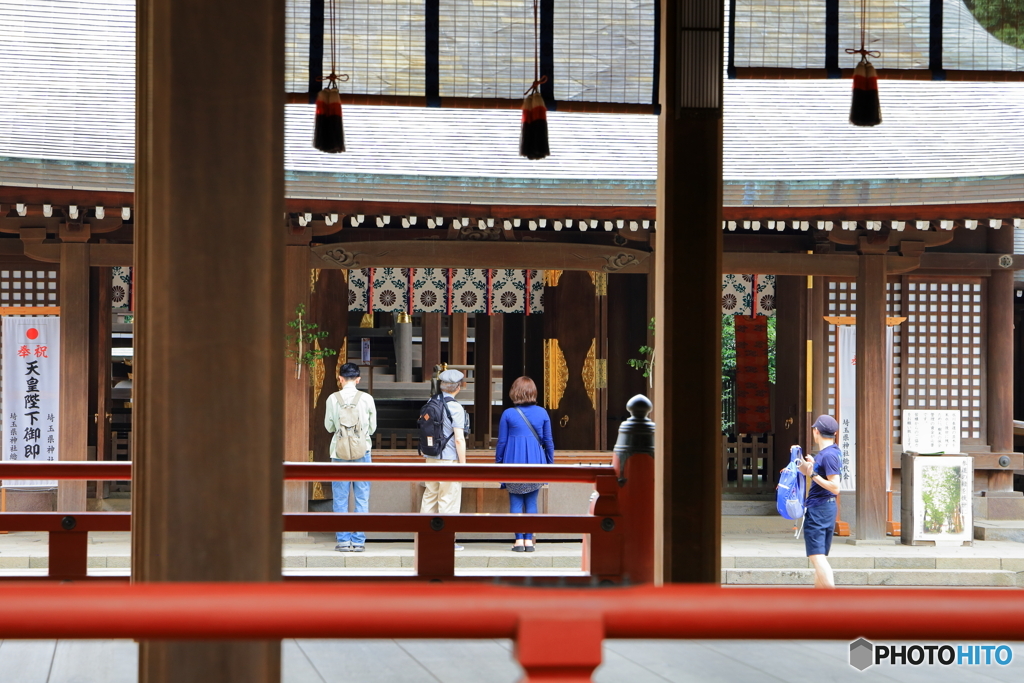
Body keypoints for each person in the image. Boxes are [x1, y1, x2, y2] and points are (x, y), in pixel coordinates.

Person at [495, 376, 554, 552]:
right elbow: (548, 441)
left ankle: (518, 541)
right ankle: (529, 540)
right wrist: (550, 464)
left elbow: (502, 443)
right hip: (536, 461)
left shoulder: (508, 414)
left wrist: (498, 464)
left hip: (512, 461)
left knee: (515, 502)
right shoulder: (542, 413)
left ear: (515, 392)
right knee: (532, 502)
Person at [324, 362, 377, 552]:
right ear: (358, 379)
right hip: (363, 451)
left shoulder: (332, 398)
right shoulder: (367, 398)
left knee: (340, 497)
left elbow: (329, 427)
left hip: (339, 453)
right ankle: (359, 541)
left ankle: (343, 541)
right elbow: (372, 428)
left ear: (340, 378)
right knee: (362, 497)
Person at [420, 368, 467, 550]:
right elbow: (458, 439)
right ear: (458, 387)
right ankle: (446, 540)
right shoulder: (456, 408)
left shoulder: (431, 402)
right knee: (448, 498)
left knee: (430, 496)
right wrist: (463, 465)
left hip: (431, 457)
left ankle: (425, 537)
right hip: (449, 460)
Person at [798, 414, 842, 588]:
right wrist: (805, 463)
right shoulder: (831, 453)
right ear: (834, 433)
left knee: (817, 557)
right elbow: (808, 471)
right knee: (820, 556)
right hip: (826, 509)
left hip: (819, 509)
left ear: (816, 431)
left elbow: (835, 486)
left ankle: (833, 602)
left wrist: (813, 474)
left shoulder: (828, 456)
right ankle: (819, 605)